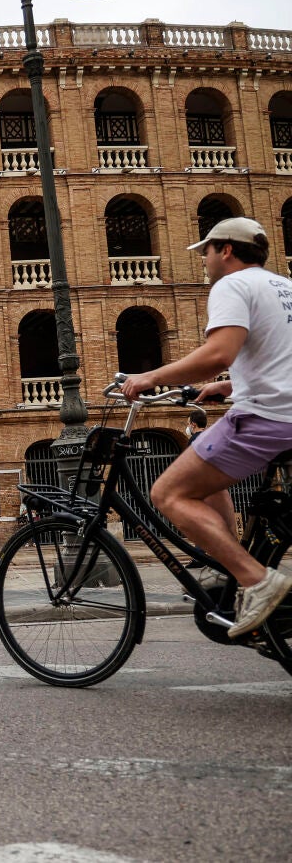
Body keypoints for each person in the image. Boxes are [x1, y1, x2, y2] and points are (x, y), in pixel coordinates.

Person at [122, 217, 292, 638]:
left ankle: (255, 579)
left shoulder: (232, 286)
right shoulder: (284, 288)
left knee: (167, 492)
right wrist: (231, 383)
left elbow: (219, 351)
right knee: (203, 476)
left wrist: (150, 378)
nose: (204, 260)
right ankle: (232, 559)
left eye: (207, 251)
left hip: (265, 418)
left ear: (227, 250)